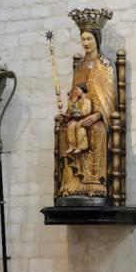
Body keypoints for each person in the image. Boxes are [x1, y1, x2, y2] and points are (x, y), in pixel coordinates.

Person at [54, 15, 117, 199]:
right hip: (78, 115)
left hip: (97, 117)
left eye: (89, 38)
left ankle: (95, 185)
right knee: (66, 128)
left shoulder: (105, 66)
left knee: (97, 130)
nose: (85, 42)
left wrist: (97, 115)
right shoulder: (80, 67)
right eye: (83, 38)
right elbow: (74, 96)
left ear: (97, 39)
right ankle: (71, 185)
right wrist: (66, 115)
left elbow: (109, 98)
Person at [64, 84, 92, 154]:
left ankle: (81, 146)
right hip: (77, 118)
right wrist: (70, 100)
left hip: (84, 118)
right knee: (70, 126)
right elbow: (72, 110)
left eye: (77, 89)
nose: (75, 91)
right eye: (75, 89)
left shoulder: (87, 100)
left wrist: (81, 113)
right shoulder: (76, 100)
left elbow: (87, 111)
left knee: (79, 126)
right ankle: (72, 146)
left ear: (82, 90)